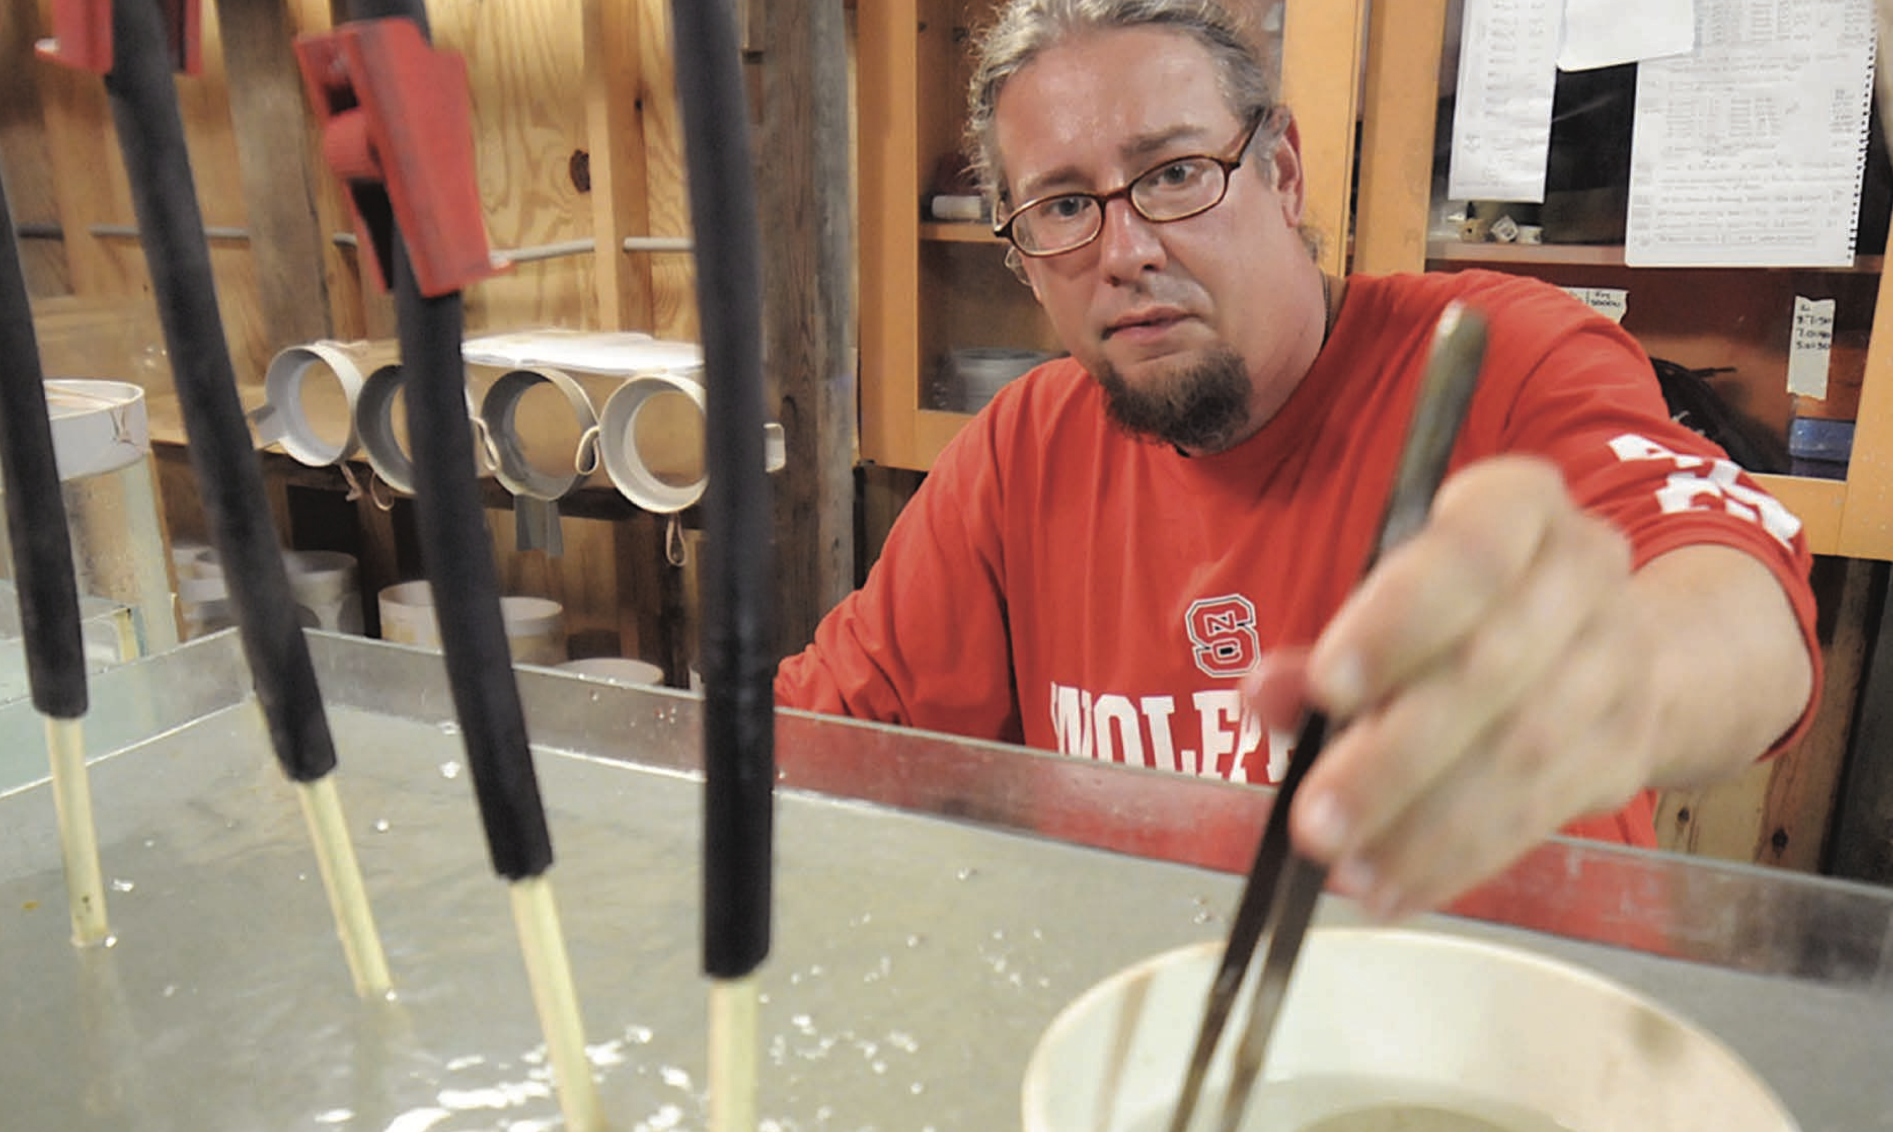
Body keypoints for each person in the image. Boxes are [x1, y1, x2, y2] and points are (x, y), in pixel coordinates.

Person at [775, 0, 1820, 925]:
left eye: (1175, 173)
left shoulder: (1494, 357)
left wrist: (1614, 683)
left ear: (1279, 173)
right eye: (1061, 206)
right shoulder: (1022, 447)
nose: (1124, 249)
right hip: (1162, 1048)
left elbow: (1727, 589)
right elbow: (818, 739)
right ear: (1023, 260)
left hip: (1506, 1054)